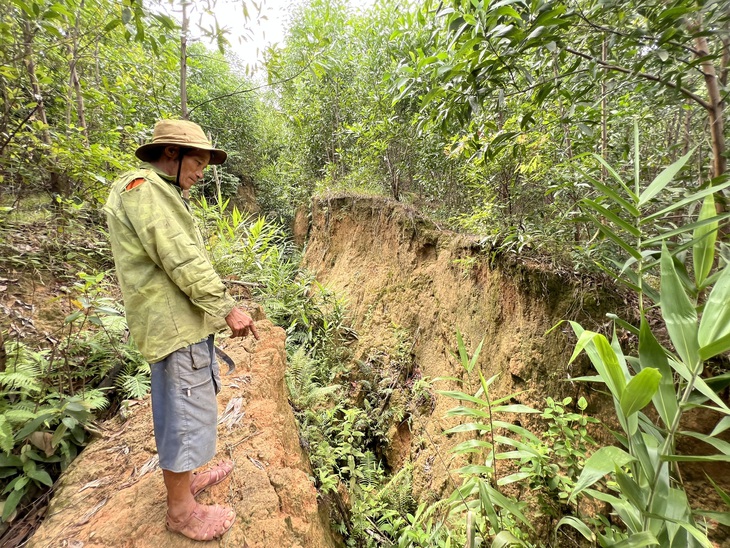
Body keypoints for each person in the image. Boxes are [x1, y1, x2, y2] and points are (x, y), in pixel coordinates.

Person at [103, 119, 259, 541]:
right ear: (171, 154)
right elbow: (182, 258)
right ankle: (181, 512)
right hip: (173, 324)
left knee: (189, 403)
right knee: (183, 412)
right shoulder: (148, 190)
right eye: (199, 161)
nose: (202, 171)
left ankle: (185, 481)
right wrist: (227, 308)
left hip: (179, 321)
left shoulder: (147, 189)